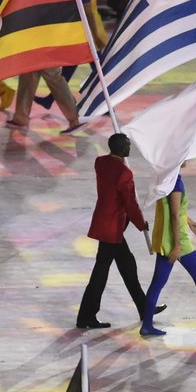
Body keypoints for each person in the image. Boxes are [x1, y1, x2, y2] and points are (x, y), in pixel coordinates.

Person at [140, 170, 196, 337]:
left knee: (158, 283)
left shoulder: (166, 177)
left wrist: (189, 221)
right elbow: (174, 215)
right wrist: (177, 246)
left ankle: (146, 325)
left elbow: (173, 209)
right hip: (177, 240)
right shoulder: (176, 182)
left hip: (165, 239)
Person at [77, 134, 150, 329]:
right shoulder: (124, 173)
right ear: (121, 149)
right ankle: (86, 316)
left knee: (128, 266)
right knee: (101, 273)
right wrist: (141, 224)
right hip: (113, 228)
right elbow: (131, 204)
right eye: (127, 146)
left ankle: (144, 307)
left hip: (104, 223)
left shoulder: (100, 163)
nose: (129, 149)